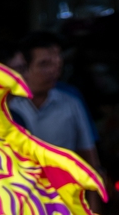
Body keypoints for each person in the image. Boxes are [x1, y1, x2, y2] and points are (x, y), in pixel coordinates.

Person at [8, 32, 105, 204]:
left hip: (64, 203)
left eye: (57, 63)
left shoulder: (70, 102)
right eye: (44, 64)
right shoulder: (9, 105)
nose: (54, 71)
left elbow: (90, 163)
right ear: (24, 67)